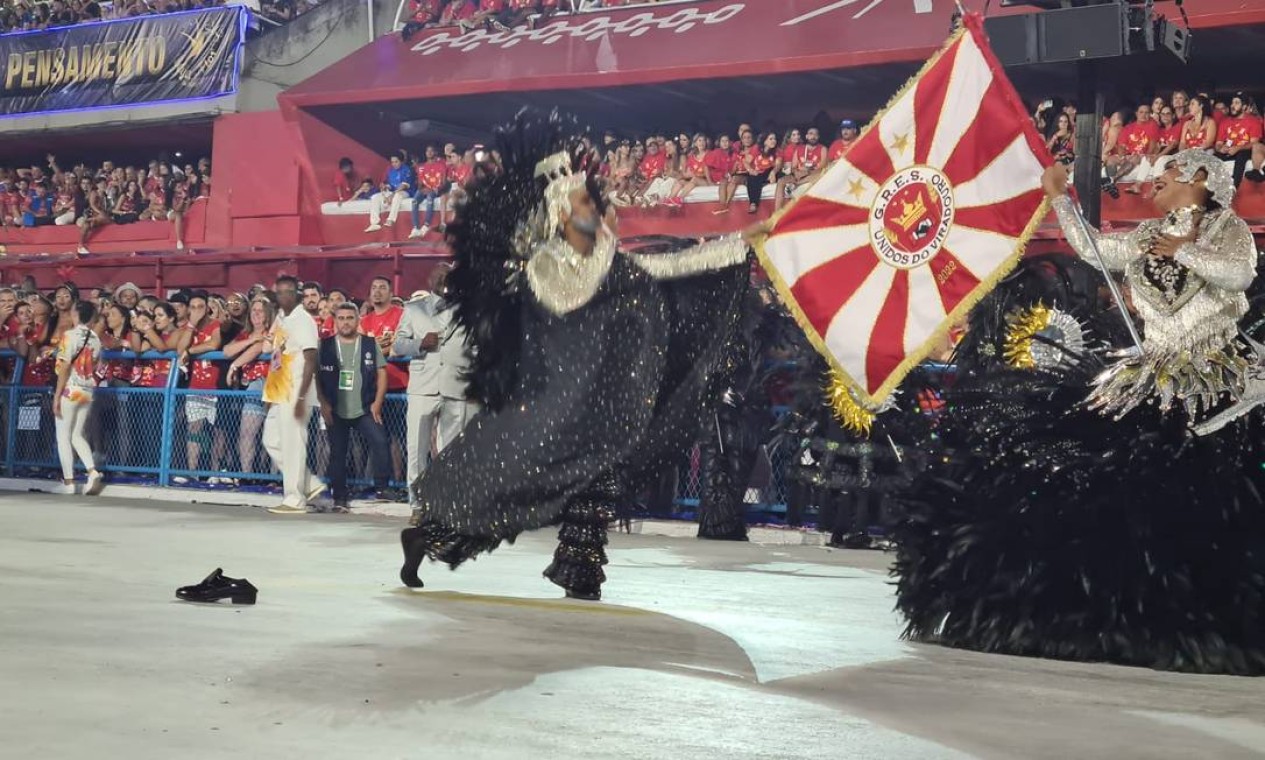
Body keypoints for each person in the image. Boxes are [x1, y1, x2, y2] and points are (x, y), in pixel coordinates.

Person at [892, 151, 1265, 675]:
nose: (1157, 178)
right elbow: (1094, 248)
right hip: (1150, 377)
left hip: (1219, 379)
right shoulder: (1144, 235)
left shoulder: (1229, 230)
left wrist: (1186, 251)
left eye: (1170, 171)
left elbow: (1239, 274)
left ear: (1201, 179)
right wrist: (1059, 198)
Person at [399, 110, 762, 601]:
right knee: (505, 492)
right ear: (562, 214)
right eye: (586, 202)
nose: (598, 208)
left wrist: (737, 246)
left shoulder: (609, 261)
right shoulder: (544, 268)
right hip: (551, 403)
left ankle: (580, 571)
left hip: (602, 404)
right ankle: (428, 538)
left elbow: (667, 267)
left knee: (597, 486)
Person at [392, 263, 474, 520]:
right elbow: (398, 344)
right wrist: (419, 343)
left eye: (448, 275)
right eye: (438, 274)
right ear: (430, 279)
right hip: (422, 387)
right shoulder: (413, 309)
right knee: (416, 450)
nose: (444, 279)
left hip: (456, 386)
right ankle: (417, 505)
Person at [317, 303, 392, 511]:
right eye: (341, 318)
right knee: (337, 452)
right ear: (335, 321)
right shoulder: (325, 345)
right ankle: (339, 496)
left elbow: (382, 372)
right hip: (335, 408)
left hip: (364, 407)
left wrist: (377, 404)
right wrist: (323, 403)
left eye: (350, 318)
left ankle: (382, 487)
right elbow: (317, 377)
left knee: (380, 441)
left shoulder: (369, 343)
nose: (345, 322)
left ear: (357, 320)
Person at [261, 275, 322, 514]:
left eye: (288, 292)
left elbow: (311, 358)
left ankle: (295, 498)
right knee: (271, 439)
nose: (283, 296)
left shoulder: (303, 320)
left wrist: (301, 396)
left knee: (293, 443)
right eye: (280, 292)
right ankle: (309, 483)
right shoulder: (282, 318)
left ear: (297, 294)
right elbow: (277, 354)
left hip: (296, 388)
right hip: (280, 388)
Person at [52, 300, 105, 496]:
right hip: (87, 389)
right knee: (77, 434)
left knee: (63, 436)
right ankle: (92, 470)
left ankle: (69, 482)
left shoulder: (69, 335)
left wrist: (57, 396)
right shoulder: (95, 338)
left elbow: (65, 366)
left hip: (70, 389)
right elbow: (97, 364)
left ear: (76, 314)